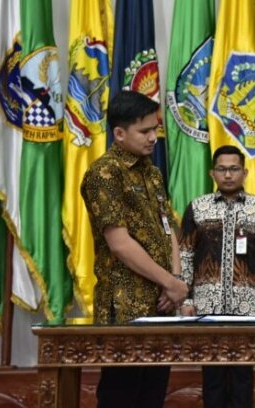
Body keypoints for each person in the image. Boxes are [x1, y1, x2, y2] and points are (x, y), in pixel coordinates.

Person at [81, 90, 188, 408]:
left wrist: (176, 280)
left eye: (155, 129)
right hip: (124, 308)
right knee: (122, 396)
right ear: (119, 133)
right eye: (145, 131)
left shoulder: (152, 173)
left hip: (162, 304)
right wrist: (169, 283)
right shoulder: (104, 174)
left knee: (153, 395)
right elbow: (120, 244)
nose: (154, 137)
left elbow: (168, 228)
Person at [178, 145, 255, 408]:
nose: (228, 175)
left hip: (245, 307)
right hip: (206, 307)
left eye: (234, 169)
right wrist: (186, 300)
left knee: (242, 376)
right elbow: (186, 255)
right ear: (212, 173)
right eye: (222, 169)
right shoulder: (197, 209)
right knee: (212, 376)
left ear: (245, 172)